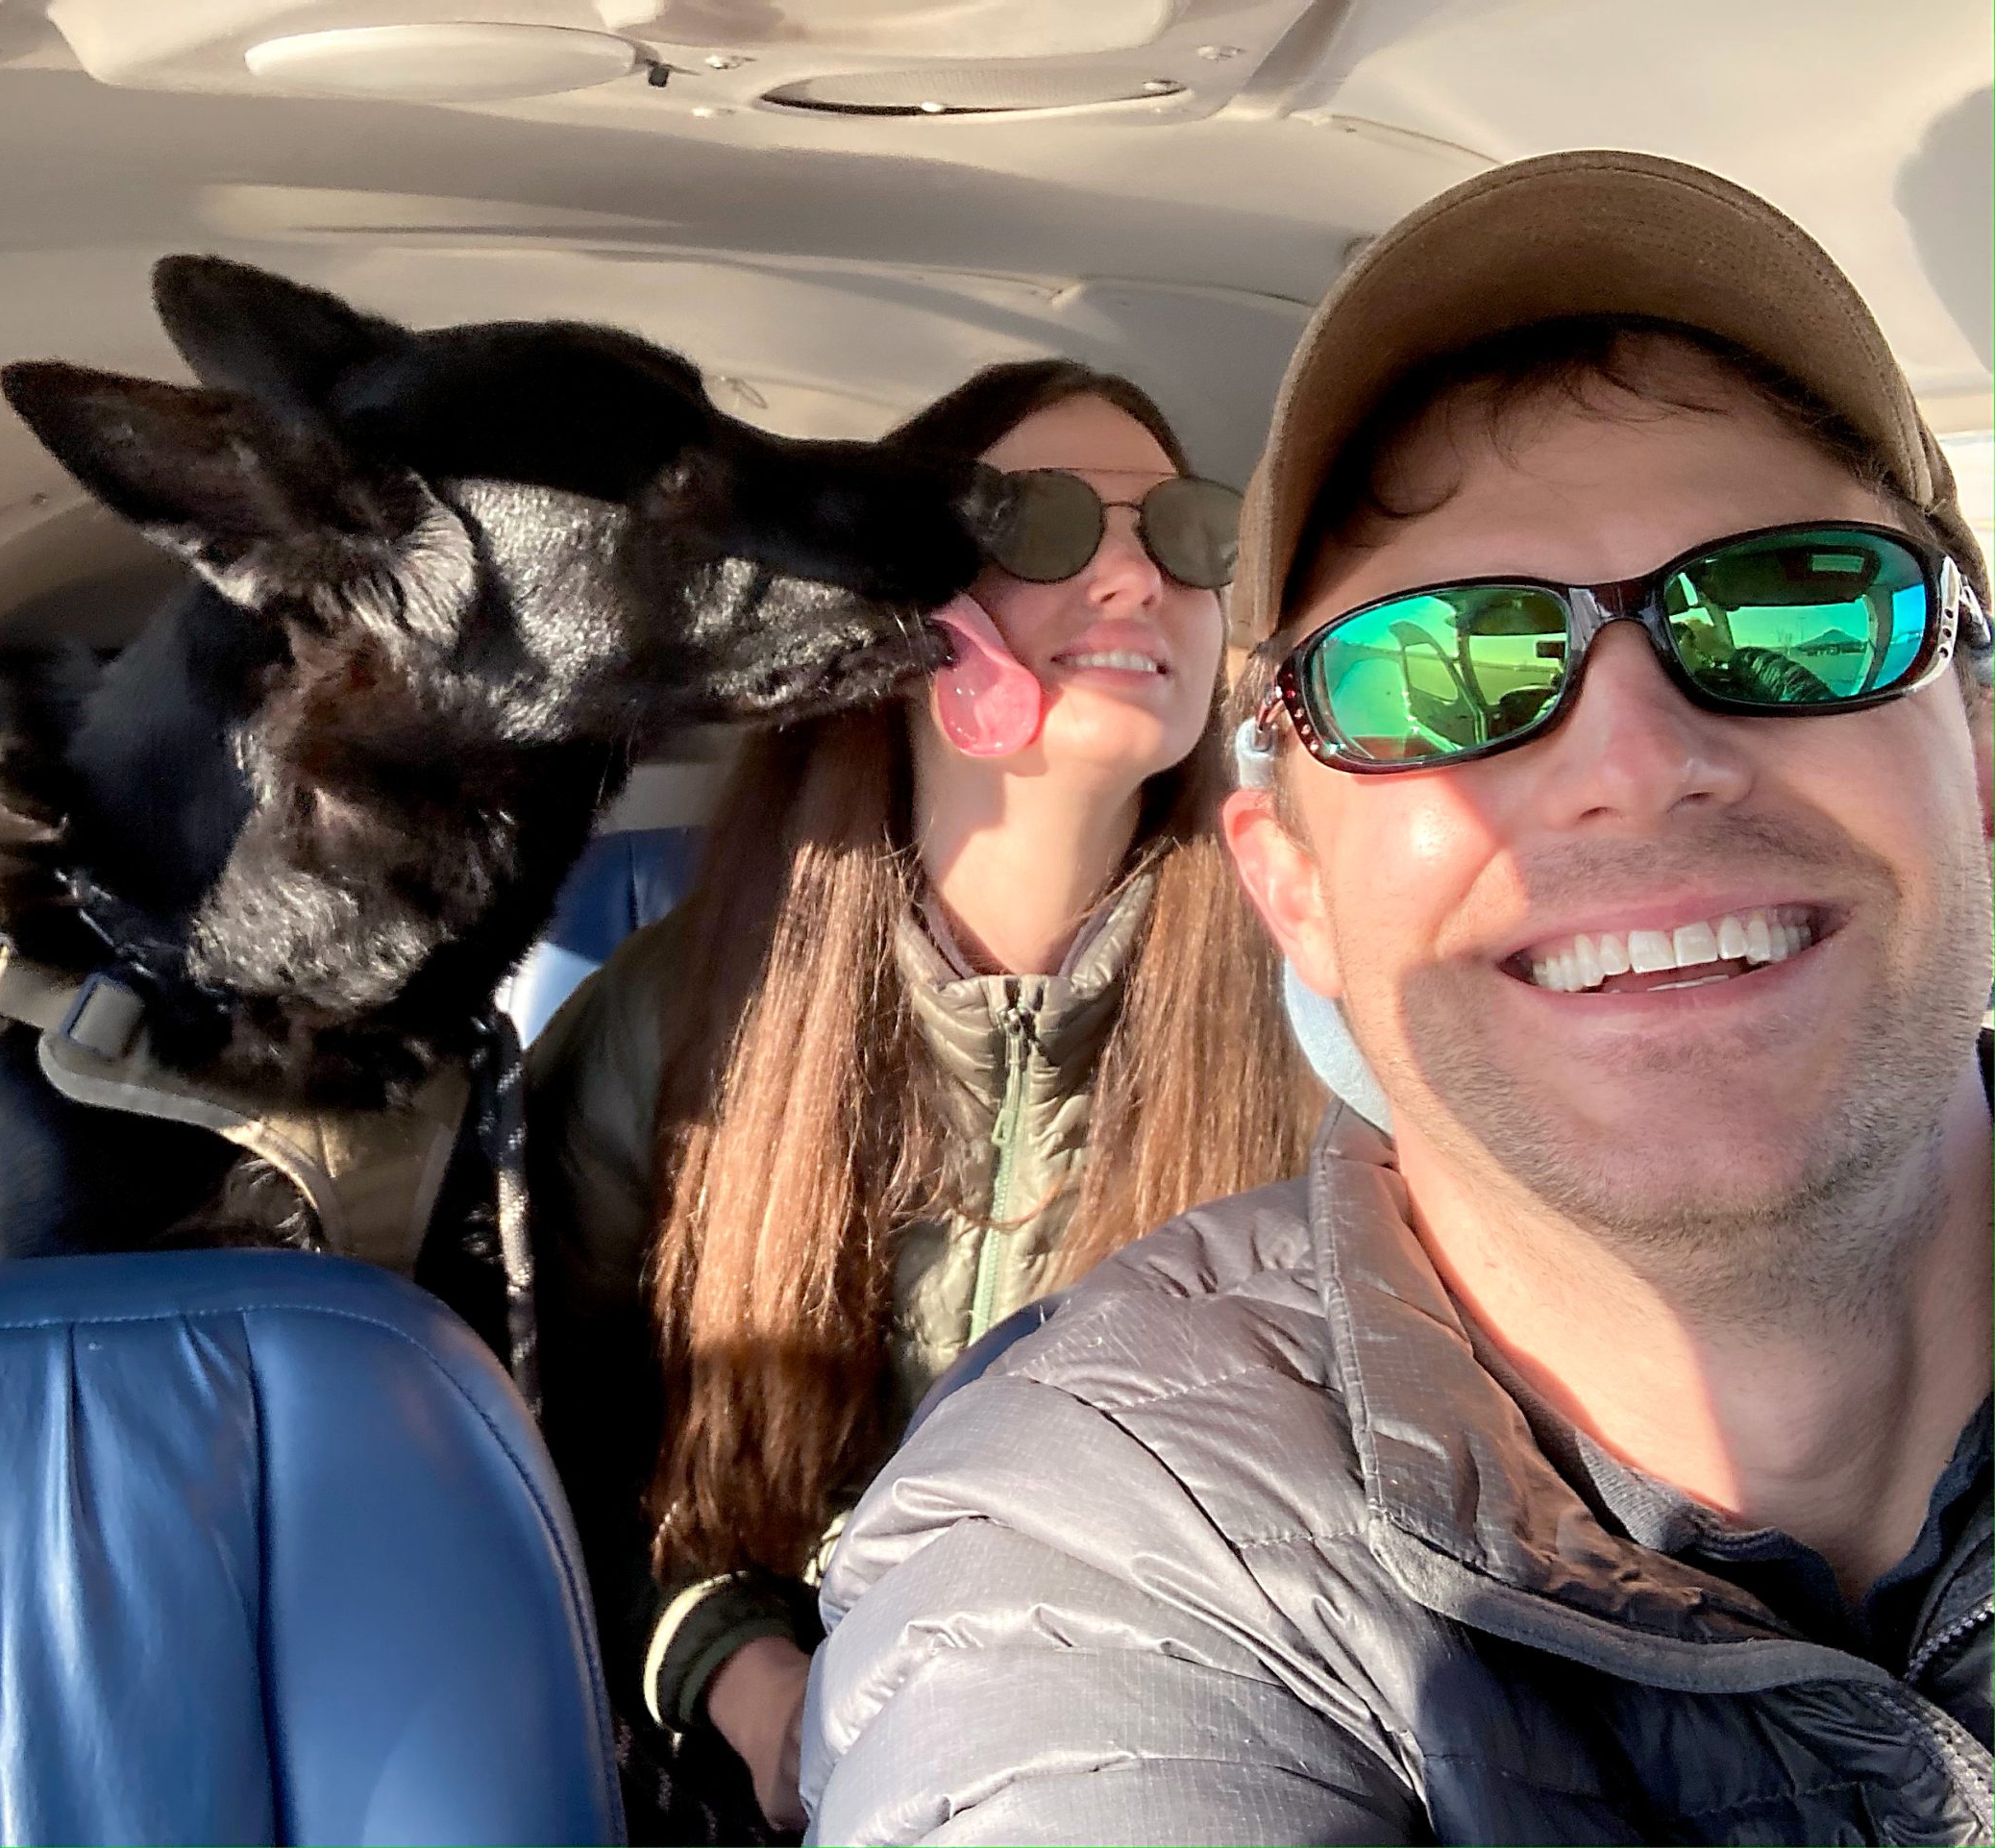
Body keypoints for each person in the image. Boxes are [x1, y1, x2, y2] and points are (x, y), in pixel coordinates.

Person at [806, 149, 1992, 1845]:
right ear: (1291, 885)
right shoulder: (1095, 1539)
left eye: (1791, 607)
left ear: (1984, 760)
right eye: (1444, 671)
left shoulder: (1261, 1037)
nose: (1642, 762)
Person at [527, 359, 1317, 1839]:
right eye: (1047, 527)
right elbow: (563, 1462)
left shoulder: (1317, 1036)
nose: (1143, 575)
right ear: (904, 611)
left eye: (1191, 533)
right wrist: (755, 1693)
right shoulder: (664, 1025)